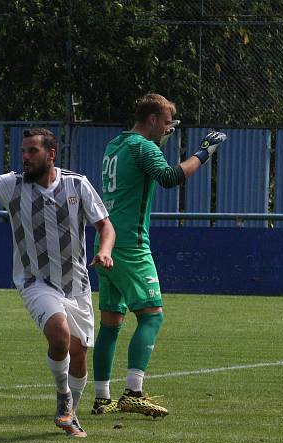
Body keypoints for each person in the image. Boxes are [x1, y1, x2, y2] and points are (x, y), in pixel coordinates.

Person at [0, 126, 115, 438]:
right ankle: (63, 398)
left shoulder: (77, 184)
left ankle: (71, 414)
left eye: (32, 151)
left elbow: (105, 225)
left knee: (79, 354)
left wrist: (105, 250)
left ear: (50, 154)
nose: (24, 157)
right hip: (35, 281)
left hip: (76, 285)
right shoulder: (12, 185)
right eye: (23, 151)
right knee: (58, 332)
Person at [91, 93, 226, 418]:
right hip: (131, 245)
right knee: (152, 315)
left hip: (106, 242)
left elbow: (140, 170)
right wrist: (204, 152)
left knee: (111, 322)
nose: (169, 129)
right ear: (152, 119)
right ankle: (133, 392)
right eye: (167, 123)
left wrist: (159, 144)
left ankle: (101, 398)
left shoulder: (117, 145)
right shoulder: (143, 148)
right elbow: (168, 178)